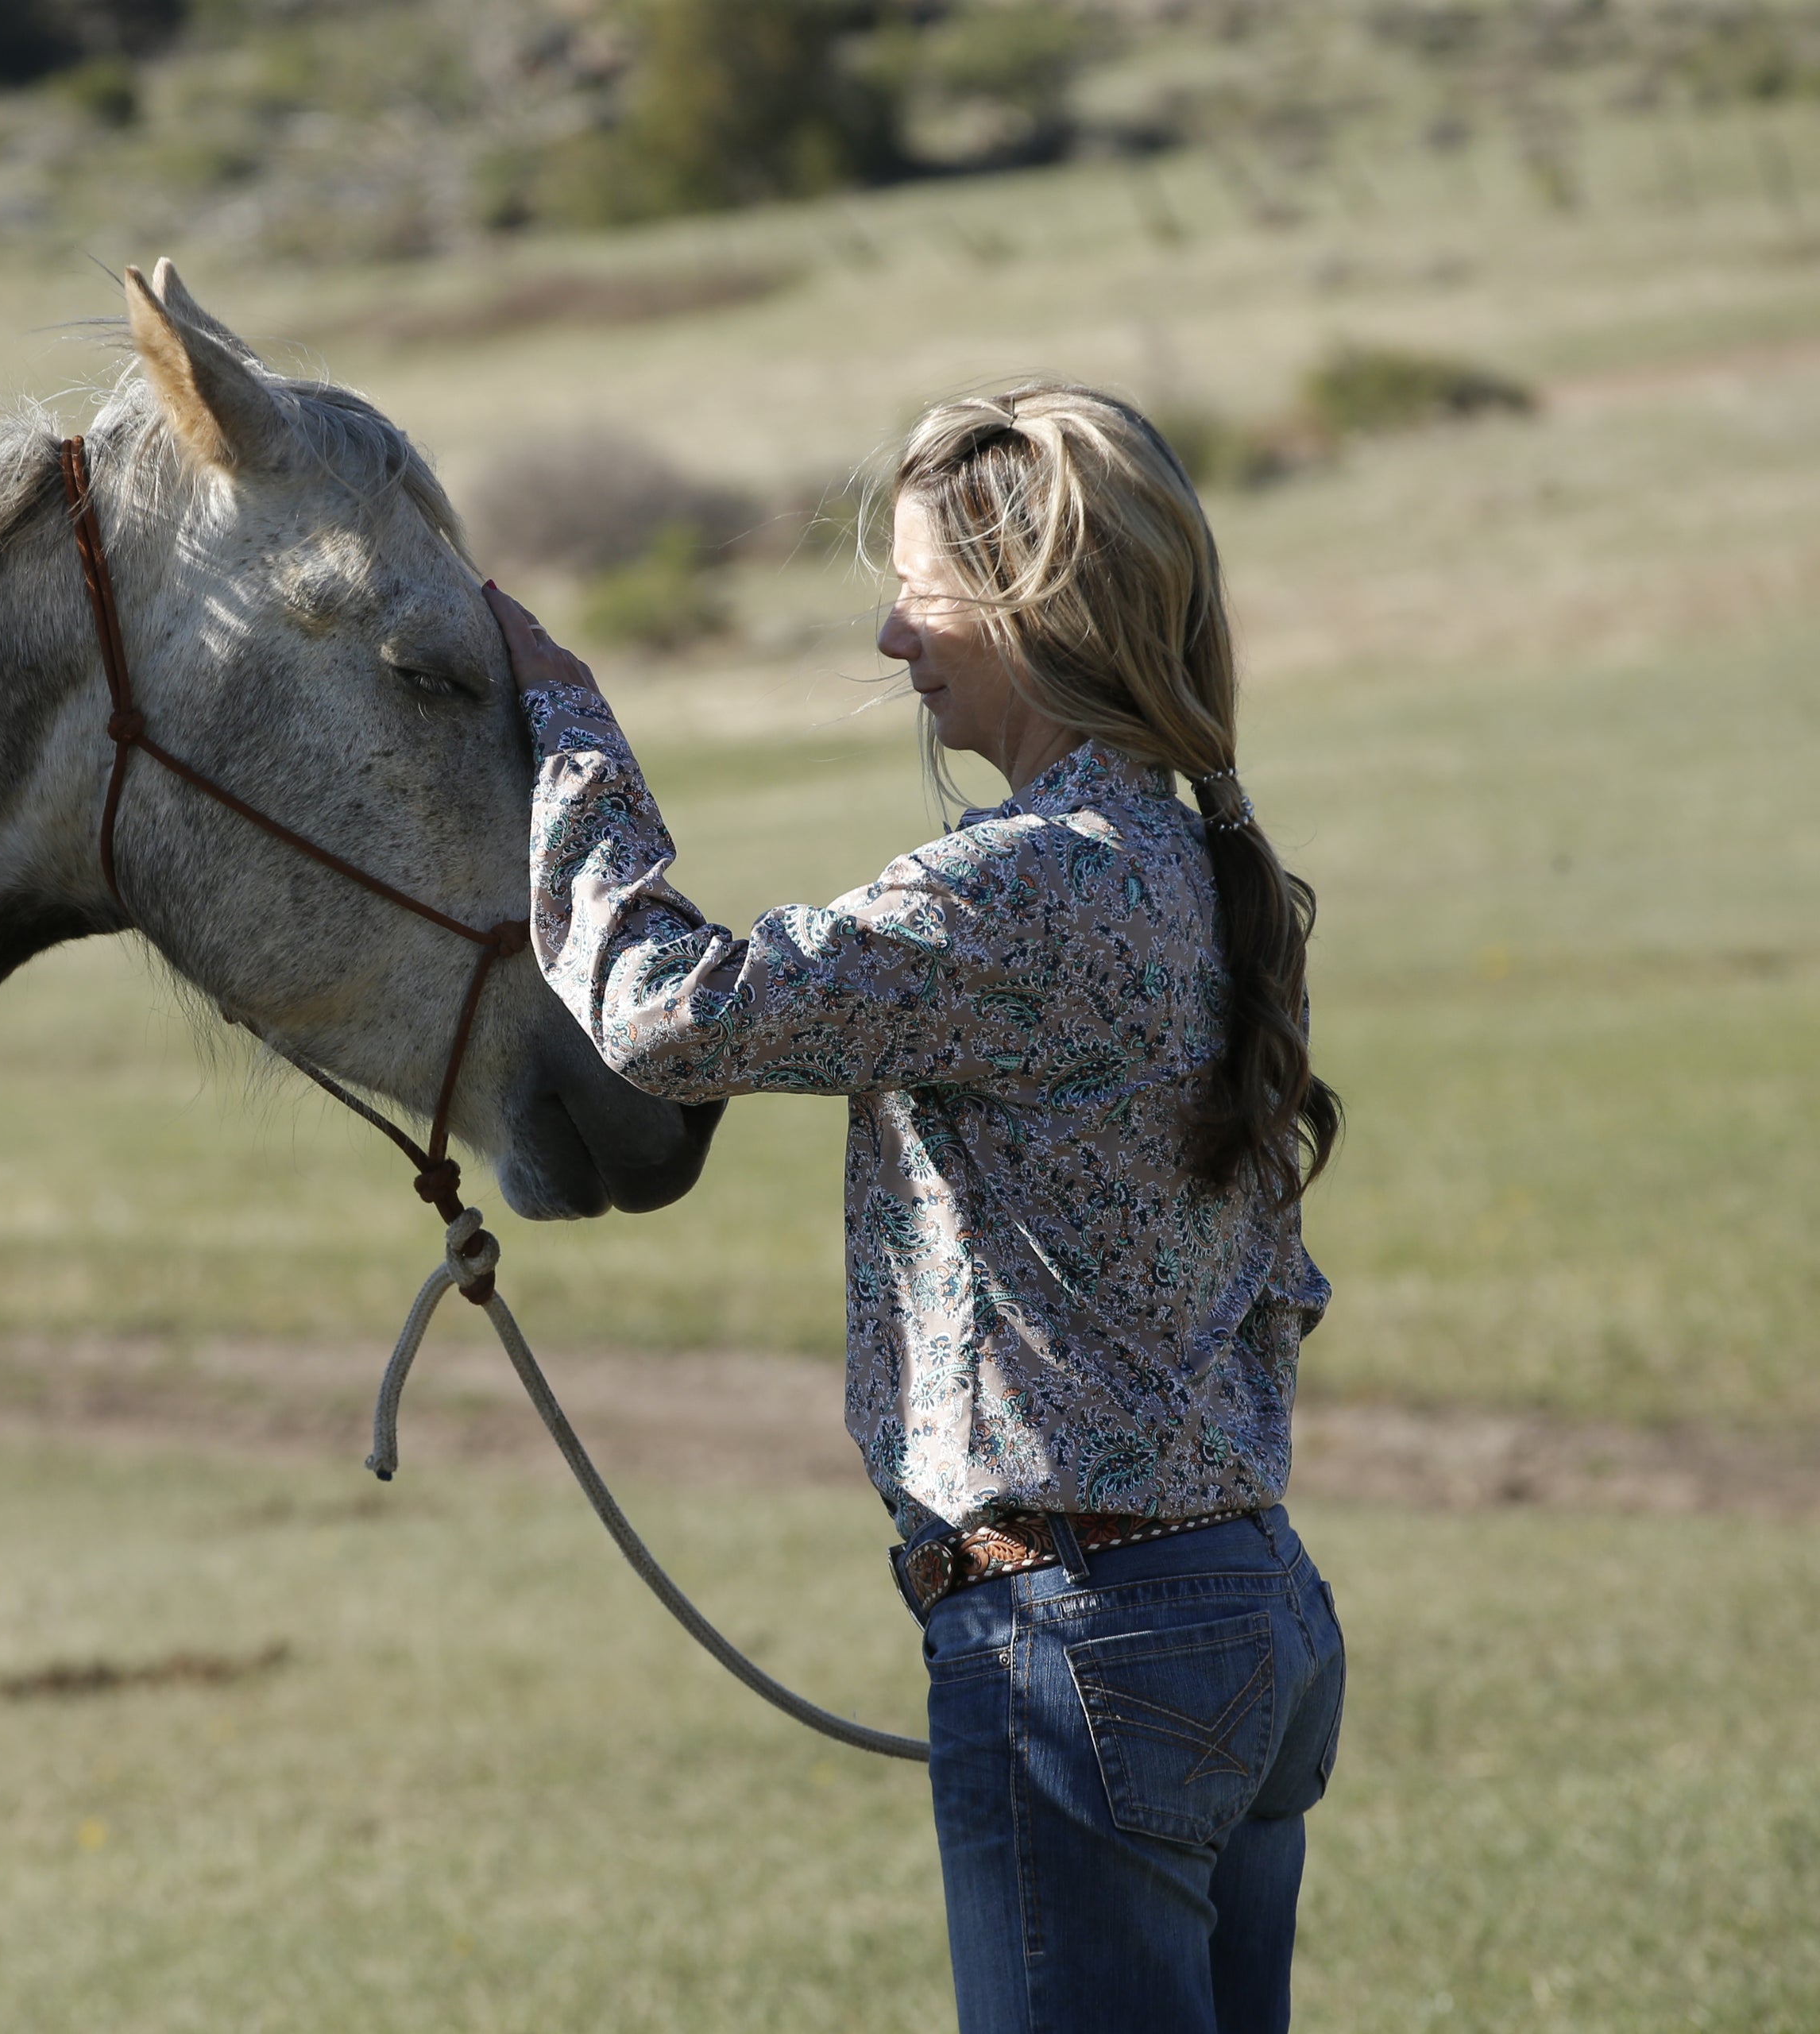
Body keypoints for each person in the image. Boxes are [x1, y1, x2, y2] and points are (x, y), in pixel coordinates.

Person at [484, 381, 1349, 2034]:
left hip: (1080, 1641)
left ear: (1032, 607)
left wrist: (571, 734)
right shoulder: (1186, 871)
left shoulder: (1027, 883)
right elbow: (1275, 1287)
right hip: (1252, 1613)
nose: (891, 639)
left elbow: (674, 1013)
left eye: (917, 593)